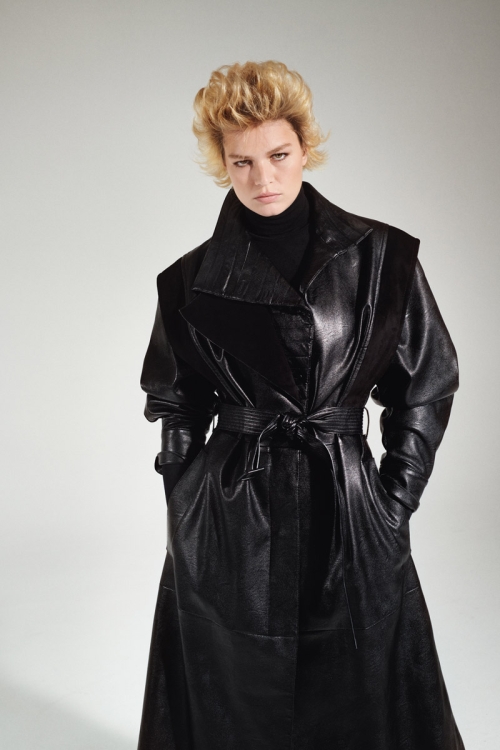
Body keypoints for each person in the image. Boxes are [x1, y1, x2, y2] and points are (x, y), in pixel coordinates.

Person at [137, 60, 465, 750]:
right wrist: (185, 498)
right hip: (230, 511)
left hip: (347, 498)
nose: (264, 178)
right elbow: (174, 397)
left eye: (279, 155)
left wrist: (394, 499)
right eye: (242, 162)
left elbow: (426, 383)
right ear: (222, 164)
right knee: (234, 687)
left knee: (362, 682)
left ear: (306, 147)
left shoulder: (382, 258)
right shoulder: (188, 280)